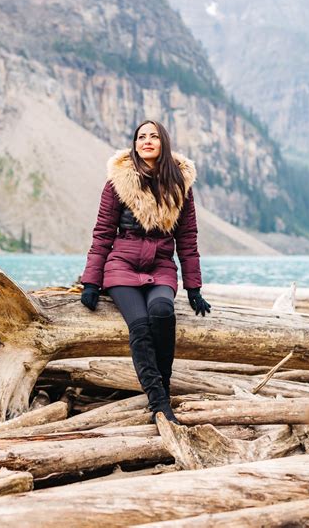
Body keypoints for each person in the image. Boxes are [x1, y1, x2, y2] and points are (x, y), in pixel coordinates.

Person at [80, 119, 211, 424]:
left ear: (163, 142)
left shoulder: (180, 185)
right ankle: (159, 404)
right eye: (141, 137)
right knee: (140, 327)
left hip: (161, 266)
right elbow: (102, 233)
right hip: (121, 266)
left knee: (163, 313)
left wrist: (194, 288)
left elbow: (187, 239)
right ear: (135, 144)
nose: (147, 141)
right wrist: (90, 282)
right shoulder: (117, 183)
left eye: (154, 136)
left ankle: (161, 389)